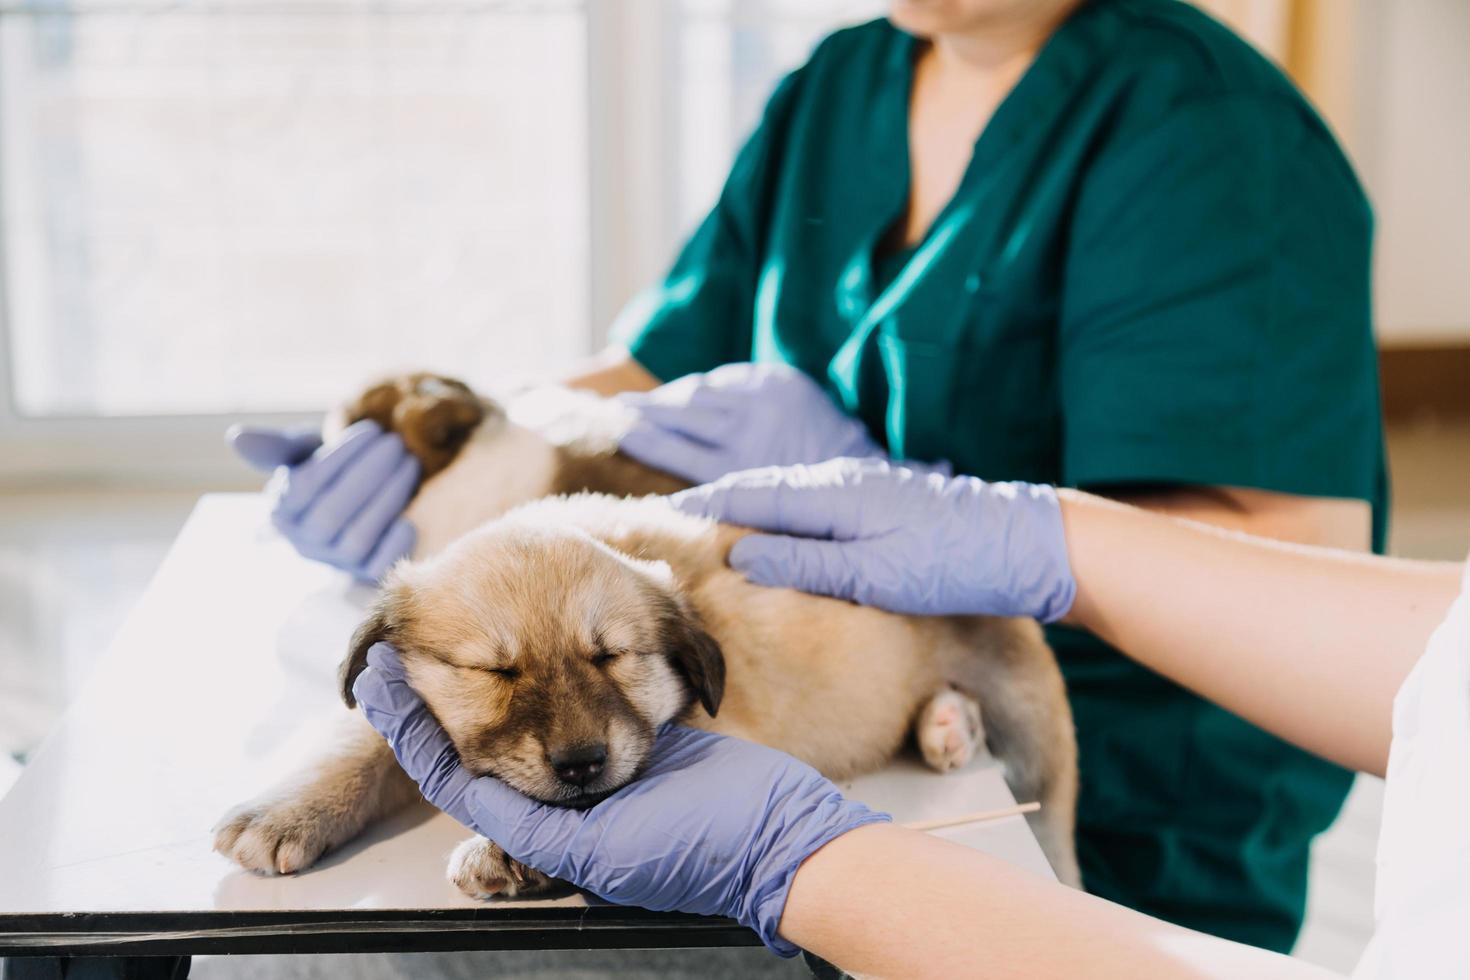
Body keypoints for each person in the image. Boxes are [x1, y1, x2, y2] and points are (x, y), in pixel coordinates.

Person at [237, 0, 1387, 950]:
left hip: (1098, 790)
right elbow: (655, 365)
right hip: (803, 724)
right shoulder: (840, 85)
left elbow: (1301, 565)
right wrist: (473, 453)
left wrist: (943, 508)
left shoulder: (1214, 136)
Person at [354, 457, 1467, 979]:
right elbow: (1444, 660)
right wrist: (1055, 540)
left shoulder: (1212, 126)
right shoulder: (842, 83)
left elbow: (1308, 507)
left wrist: (810, 864)